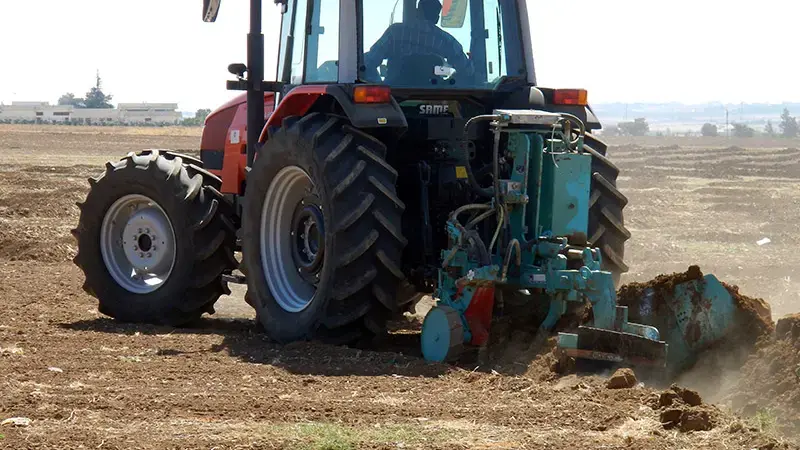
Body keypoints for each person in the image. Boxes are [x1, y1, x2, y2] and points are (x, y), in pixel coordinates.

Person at [362, 0, 473, 84]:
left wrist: (379, 84)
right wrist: (448, 84)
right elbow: (467, 71)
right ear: (437, 18)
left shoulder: (395, 32)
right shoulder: (446, 40)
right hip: (434, 95)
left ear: (417, 11)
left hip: (396, 95)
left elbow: (369, 62)